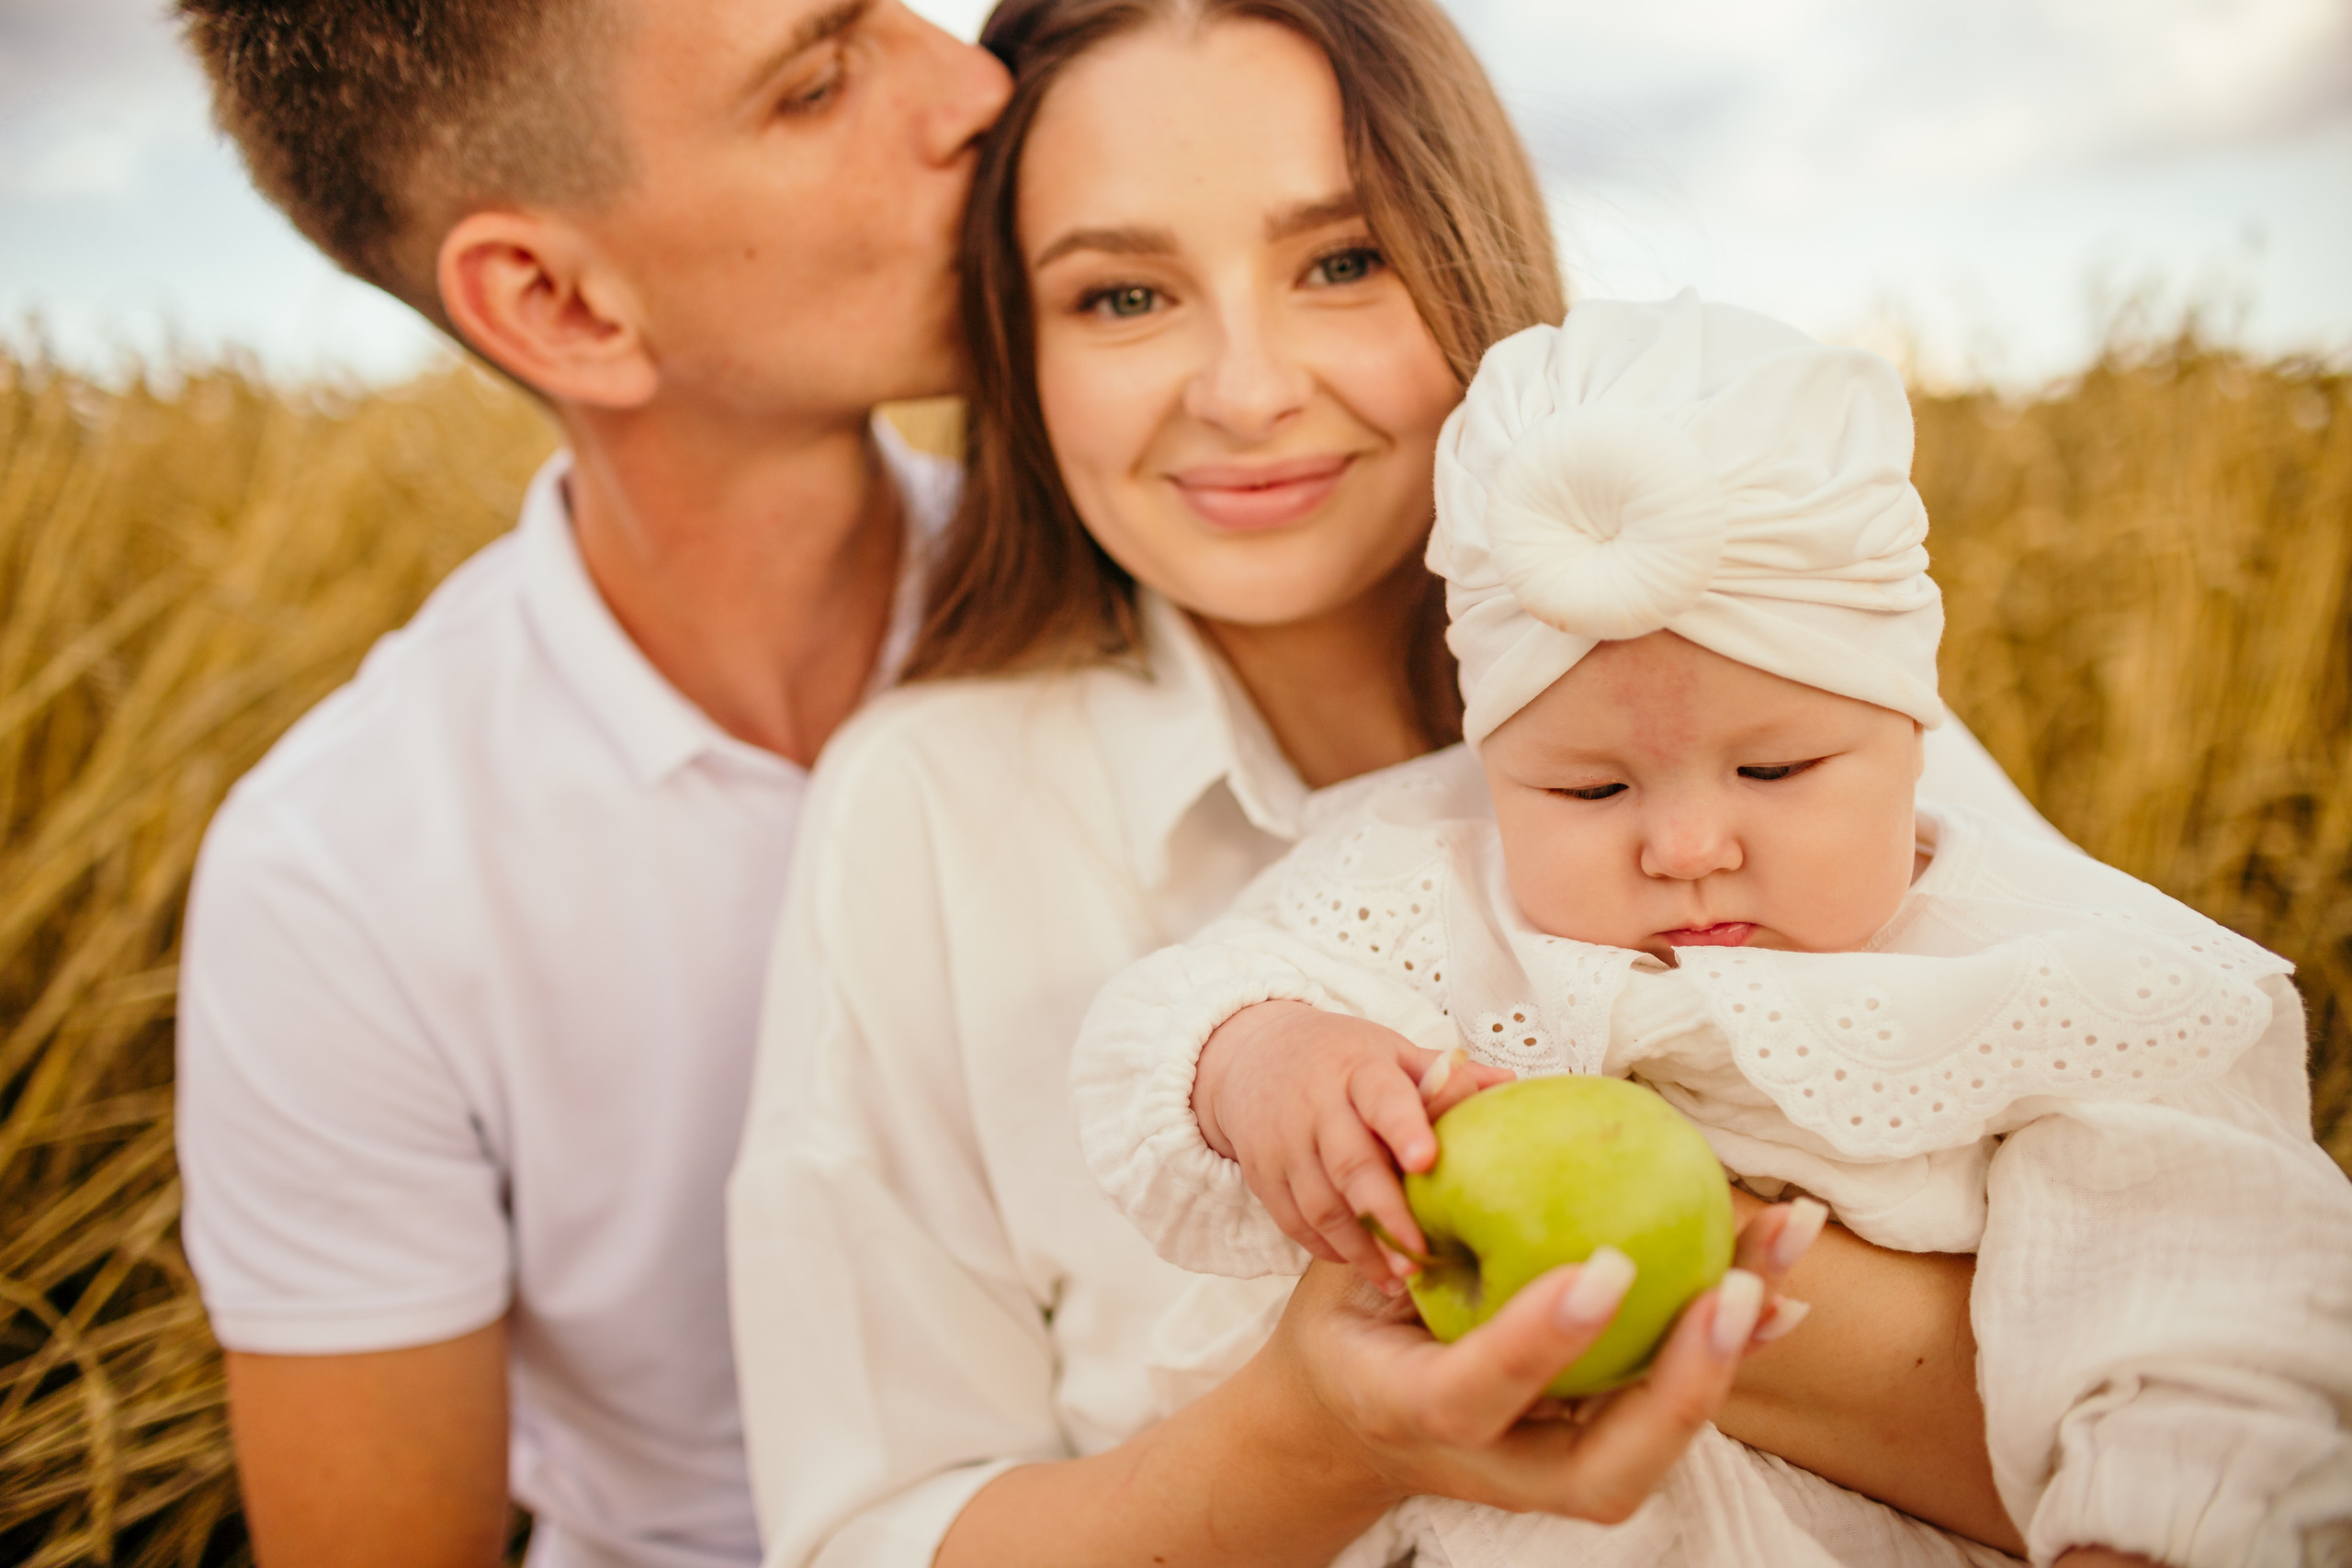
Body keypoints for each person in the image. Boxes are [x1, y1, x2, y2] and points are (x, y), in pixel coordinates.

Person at [727, 3, 2051, 1563]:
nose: (1245, 388)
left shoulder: (1775, 692)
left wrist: (1655, 1272)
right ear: (1021, 352)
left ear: (1468, 256)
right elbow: (870, 1534)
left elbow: (2197, 1354)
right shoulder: (933, 811)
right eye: (1125, 293)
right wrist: (1308, 1437)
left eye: (1341, 262)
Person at [1070, 294, 2352, 1566]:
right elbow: (1177, 1011)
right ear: (1494, 757)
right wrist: (1266, 1059)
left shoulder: (2060, 980)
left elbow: (2210, 1309)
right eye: (1589, 789)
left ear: (1913, 736)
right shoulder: (1430, 878)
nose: (1686, 848)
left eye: (1777, 772)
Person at [168, 3, 1010, 1564]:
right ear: (559, 303)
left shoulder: (1166, 605)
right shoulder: (336, 882)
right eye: (817, 83)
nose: (979, 84)